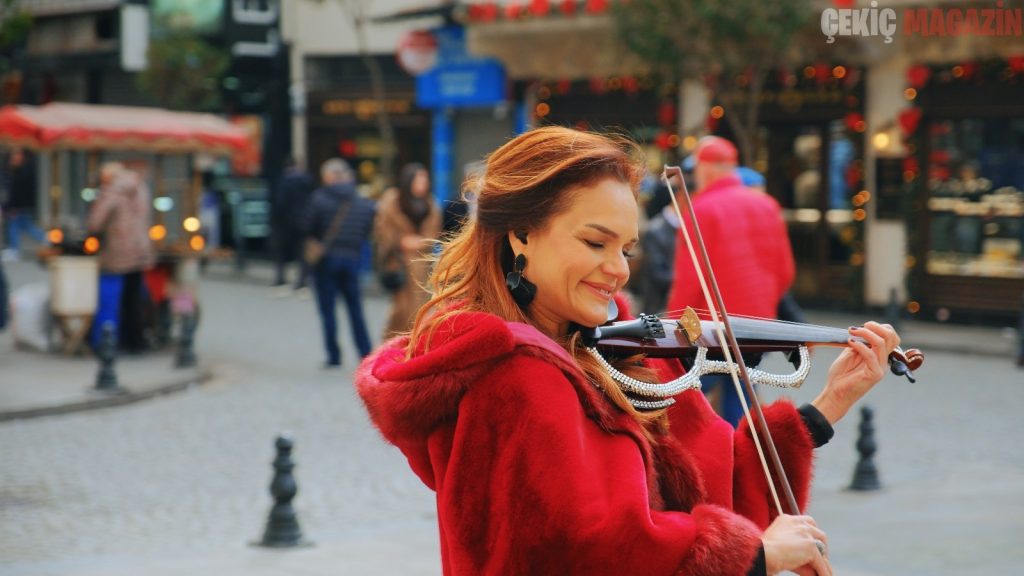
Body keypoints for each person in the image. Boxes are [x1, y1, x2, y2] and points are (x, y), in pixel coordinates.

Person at [355, 126, 901, 575]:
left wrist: (829, 404)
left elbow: (711, 476)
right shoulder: (517, 373)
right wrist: (754, 554)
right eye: (595, 243)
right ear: (521, 234)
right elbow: (578, 551)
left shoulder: (608, 351)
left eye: (626, 248)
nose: (618, 269)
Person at [667, 137, 796, 427]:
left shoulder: (701, 208)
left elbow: (689, 280)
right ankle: (744, 459)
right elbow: (785, 272)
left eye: (696, 167)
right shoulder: (768, 205)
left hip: (710, 328)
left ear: (708, 168)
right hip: (756, 326)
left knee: (685, 398)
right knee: (740, 392)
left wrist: (675, 327)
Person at [304, 158, 376, 367]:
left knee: (328, 310)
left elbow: (306, 225)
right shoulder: (360, 200)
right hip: (352, 258)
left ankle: (334, 355)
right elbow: (366, 228)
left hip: (326, 260)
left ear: (329, 176)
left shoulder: (319, 198)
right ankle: (365, 353)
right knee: (355, 309)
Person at [86, 162, 155, 351]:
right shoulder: (140, 187)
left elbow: (95, 223)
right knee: (134, 298)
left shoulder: (111, 192)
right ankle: (136, 341)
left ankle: (107, 341)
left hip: (117, 251)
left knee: (110, 299)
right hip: (140, 250)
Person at [373, 163, 442, 338]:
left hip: (422, 267)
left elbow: (434, 233)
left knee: (423, 312)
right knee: (400, 313)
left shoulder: (430, 203)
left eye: (425, 178)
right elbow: (381, 229)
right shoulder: (393, 200)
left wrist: (419, 242)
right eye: (419, 178)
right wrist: (400, 240)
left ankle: (414, 350)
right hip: (399, 264)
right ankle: (393, 349)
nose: (423, 183)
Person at [271, 156, 316, 292]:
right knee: (302, 251)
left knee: (281, 250)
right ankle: (302, 280)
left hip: (286, 222)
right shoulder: (308, 180)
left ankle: (281, 278)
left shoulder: (284, 181)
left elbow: (280, 203)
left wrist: (277, 219)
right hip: (304, 220)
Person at [2, 149, 46, 261]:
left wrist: (13, 206)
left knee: (16, 227)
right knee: (25, 227)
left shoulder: (23, 172)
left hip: (20, 206)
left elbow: (19, 192)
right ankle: (46, 239)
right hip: (20, 206)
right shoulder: (15, 171)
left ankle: (14, 249)